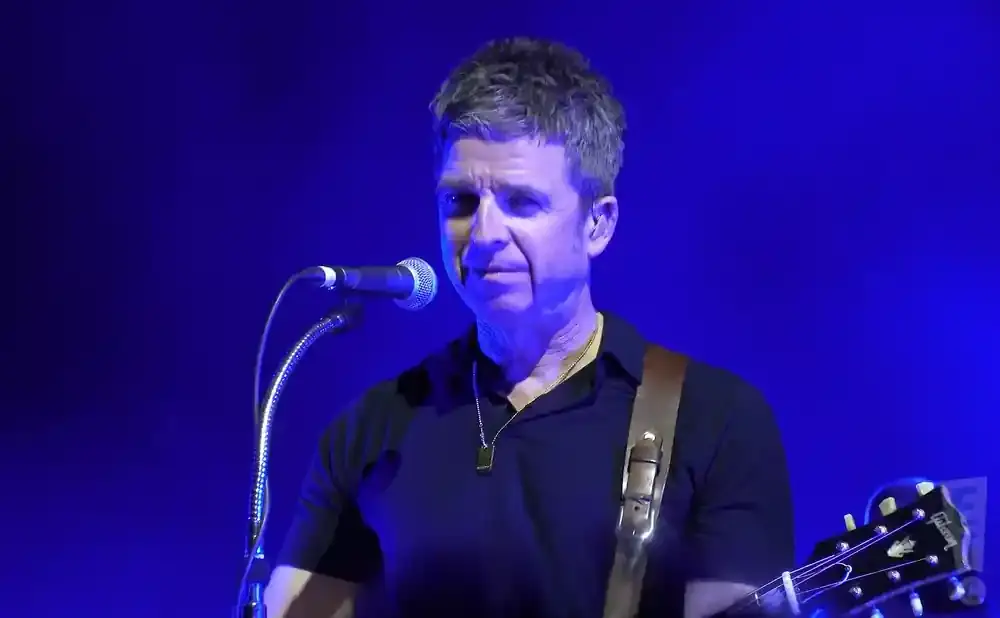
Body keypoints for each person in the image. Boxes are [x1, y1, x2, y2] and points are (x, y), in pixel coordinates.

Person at [264, 37, 794, 618]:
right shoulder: (370, 431)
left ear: (598, 224)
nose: (484, 232)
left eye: (521, 202)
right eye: (461, 201)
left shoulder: (713, 420)